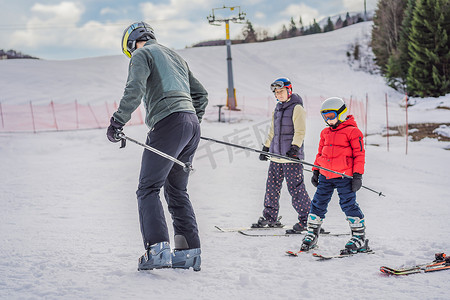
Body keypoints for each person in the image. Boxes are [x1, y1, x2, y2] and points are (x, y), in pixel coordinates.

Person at [106, 22, 208, 271]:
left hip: (168, 124)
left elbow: (135, 88)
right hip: (191, 125)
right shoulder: (176, 57)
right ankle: (188, 252)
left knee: (148, 188)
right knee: (176, 190)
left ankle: (157, 250)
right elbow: (201, 95)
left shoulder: (142, 54)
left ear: (131, 43)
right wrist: (189, 120)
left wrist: (118, 121)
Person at [300, 97, 368, 255]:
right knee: (317, 203)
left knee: (348, 204)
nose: (328, 120)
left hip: (345, 176)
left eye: (331, 115)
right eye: (325, 117)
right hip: (325, 175)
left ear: (342, 113)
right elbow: (320, 153)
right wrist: (316, 170)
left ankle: (359, 237)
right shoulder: (325, 133)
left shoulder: (353, 132)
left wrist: (358, 175)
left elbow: (359, 155)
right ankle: (312, 234)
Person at [252, 78, 311, 234]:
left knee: (296, 189)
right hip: (276, 157)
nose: (279, 95)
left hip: (291, 157)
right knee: (272, 187)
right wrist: (266, 148)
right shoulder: (277, 109)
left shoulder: (297, 108)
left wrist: (295, 148)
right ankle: (270, 217)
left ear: (289, 91)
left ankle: (307, 220)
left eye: (281, 91)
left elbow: (300, 132)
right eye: (276, 93)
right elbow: (273, 132)